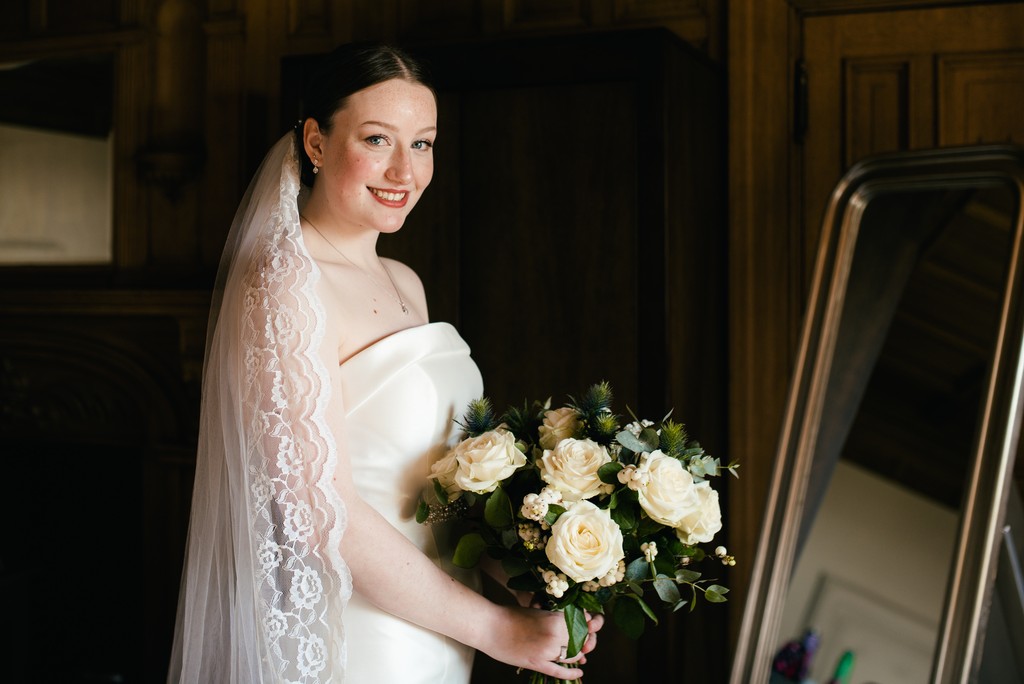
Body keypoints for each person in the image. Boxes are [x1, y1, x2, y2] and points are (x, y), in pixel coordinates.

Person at [166, 41, 604, 683]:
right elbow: (318, 513)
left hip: (437, 621)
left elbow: (438, 490)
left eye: (422, 144)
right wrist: (496, 630)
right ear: (315, 142)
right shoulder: (286, 283)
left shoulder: (405, 280)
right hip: (361, 634)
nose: (404, 171)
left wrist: (522, 579)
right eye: (377, 139)